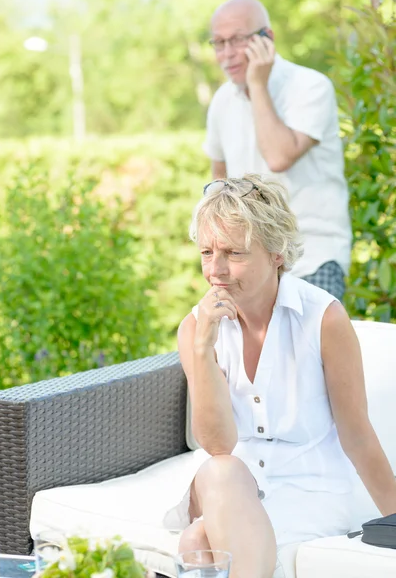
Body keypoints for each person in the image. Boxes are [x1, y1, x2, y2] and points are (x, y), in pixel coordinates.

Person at [163, 175, 396, 578]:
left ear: (276, 252)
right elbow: (218, 444)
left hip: (310, 492)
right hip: (232, 489)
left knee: (194, 544)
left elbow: (357, 436)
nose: (215, 270)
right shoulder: (196, 329)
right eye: (206, 252)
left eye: (234, 253)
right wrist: (203, 350)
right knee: (222, 469)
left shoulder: (323, 318)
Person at [203, 0, 352, 301]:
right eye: (219, 43)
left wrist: (257, 85)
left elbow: (278, 156)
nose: (227, 54)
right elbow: (220, 182)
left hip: (312, 257)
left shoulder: (310, 86)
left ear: (266, 39)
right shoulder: (221, 101)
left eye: (237, 40)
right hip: (250, 265)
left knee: (310, 349)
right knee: (244, 350)